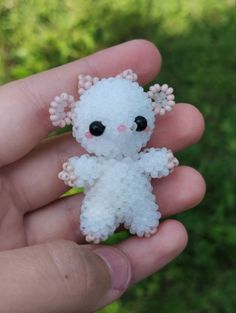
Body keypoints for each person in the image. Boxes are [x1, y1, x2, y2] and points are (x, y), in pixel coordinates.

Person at [0, 40, 205, 313]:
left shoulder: (136, 157)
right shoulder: (96, 162)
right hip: (100, 205)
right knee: (98, 219)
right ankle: (104, 226)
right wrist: (75, 171)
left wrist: (162, 160)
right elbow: (86, 169)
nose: (121, 129)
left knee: (144, 217)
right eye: (97, 127)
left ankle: (140, 223)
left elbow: (151, 161)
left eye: (138, 123)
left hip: (140, 201)